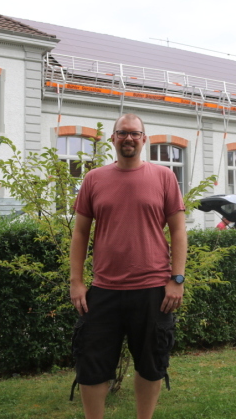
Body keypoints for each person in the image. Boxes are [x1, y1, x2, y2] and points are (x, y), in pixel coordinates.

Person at [69, 113, 187, 419]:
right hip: (103, 290)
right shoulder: (94, 179)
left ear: (144, 139)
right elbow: (80, 232)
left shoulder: (164, 178)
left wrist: (177, 279)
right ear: (113, 139)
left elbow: (178, 230)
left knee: (151, 364)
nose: (129, 138)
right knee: (92, 365)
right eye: (122, 133)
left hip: (152, 291)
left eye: (135, 133)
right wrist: (76, 281)